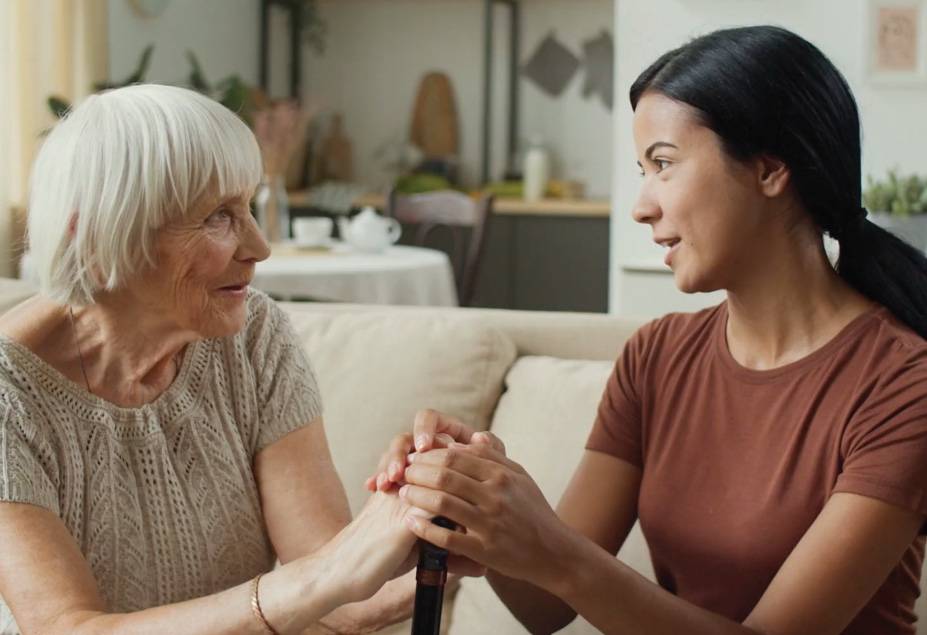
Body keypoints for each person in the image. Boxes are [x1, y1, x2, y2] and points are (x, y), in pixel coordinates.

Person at [369, 25, 927, 635]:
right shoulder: (656, 358)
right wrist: (481, 500)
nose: (640, 204)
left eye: (664, 164)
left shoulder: (904, 383)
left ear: (769, 169)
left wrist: (552, 546)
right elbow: (545, 608)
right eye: (642, 169)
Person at [0, 84, 440, 635]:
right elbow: (66, 628)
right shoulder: (8, 396)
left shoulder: (252, 335)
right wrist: (326, 576)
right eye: (217, 217)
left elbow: (334, 595)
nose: (258, 247)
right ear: (94, 235)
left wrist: (426, 521)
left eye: (248, 207)